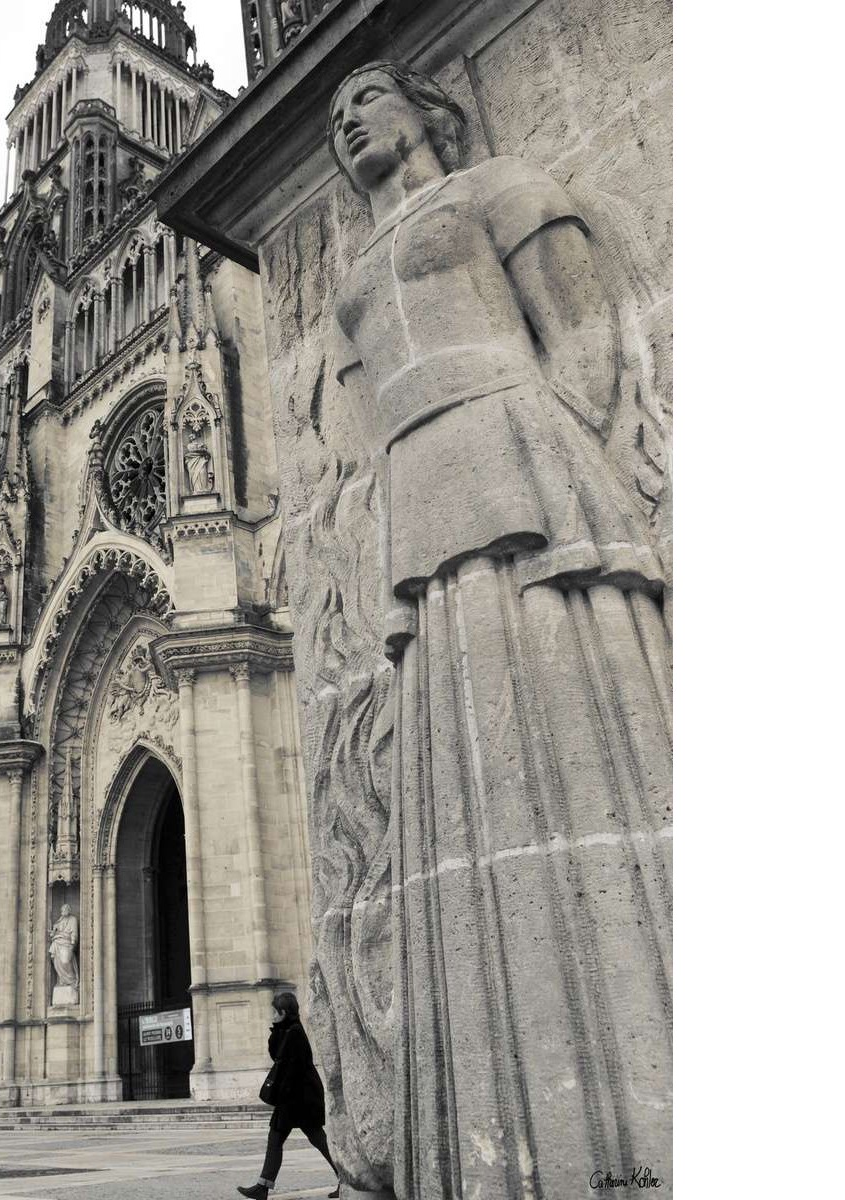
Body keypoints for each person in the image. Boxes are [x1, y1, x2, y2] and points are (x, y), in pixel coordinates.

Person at [325, 63, 670, 1197]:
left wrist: (560, 465)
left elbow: (585, 337)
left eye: (367, 95)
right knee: (454, 796)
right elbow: (353, 439)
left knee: (575, 732)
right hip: (420, 514)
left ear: (428, 108)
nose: (342, 117)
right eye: (332, 116)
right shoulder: (354, 274)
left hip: (523, 472)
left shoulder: (503, 186)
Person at [237, 992, 339, 1199]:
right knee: (281, 1138)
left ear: (283, 1012)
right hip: (295, 1098)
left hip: (299, 1099)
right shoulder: (289, 1031)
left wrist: (279, 1096)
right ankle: (262, 1186)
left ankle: (347, 1176)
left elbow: (288, 1067)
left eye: (275, 1012)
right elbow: (277, 1055)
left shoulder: (294, 1033)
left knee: (315, 1138)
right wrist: (277, 1030)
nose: (272, 1016)